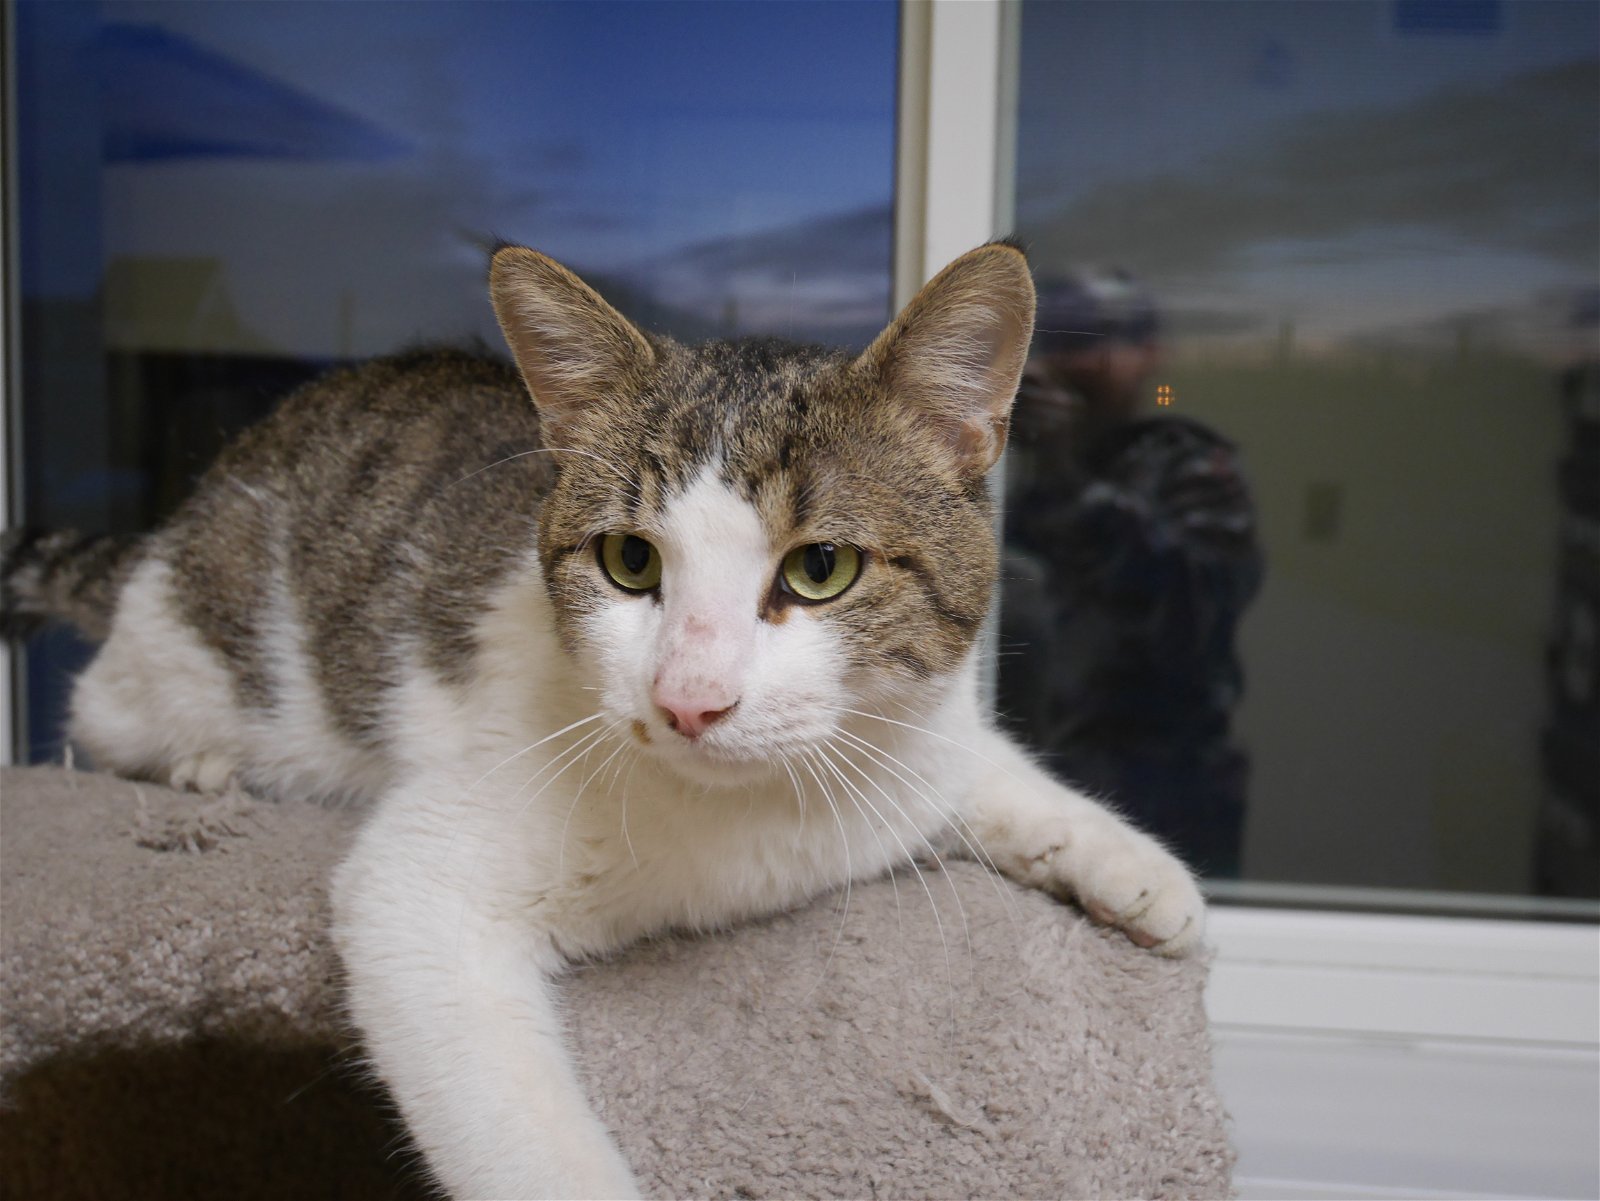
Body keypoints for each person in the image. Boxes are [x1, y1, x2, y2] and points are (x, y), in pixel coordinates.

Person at [999, 269, 1263, 877]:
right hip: (1030, 773)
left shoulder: (1186, 461)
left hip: (1160, 785)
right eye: (1062, 341)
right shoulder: (997, 464)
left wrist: (1064, 471)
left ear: (1148, 357)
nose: (1077, 362)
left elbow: (1195, 610)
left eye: (1100, 340)